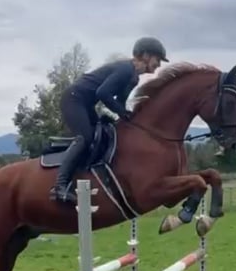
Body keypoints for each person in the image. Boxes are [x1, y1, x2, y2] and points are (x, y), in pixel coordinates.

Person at [49, 37, 169, 204]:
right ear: (146, 55)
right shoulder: (125, 69)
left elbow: (120, 103)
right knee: (86, 138)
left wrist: (131, 119)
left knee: (104, 136)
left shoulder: (133, 78)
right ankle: (59, 187)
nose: (159, 65)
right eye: (158, 59)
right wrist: (122, 112)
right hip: (74, 100)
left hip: (86, 104)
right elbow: (103, 93)